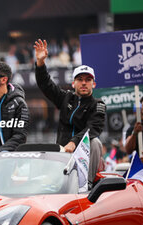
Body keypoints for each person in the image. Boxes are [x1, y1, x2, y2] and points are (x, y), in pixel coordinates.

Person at [34, 39, 106, 185]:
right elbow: (46, 85)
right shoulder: (65, 98)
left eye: (88, 79)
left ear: (94, 84)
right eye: (80, 79)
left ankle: (89, 183)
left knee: (96, 142)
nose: (84, 83)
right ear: (73, 83)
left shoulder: (98, 104)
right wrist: (40, 64)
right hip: (62, 153)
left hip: (84, 154)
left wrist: (74, 142)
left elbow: (93, 128)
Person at [125, 94, 143, 169]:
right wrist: (134, 133)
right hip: (141, 173)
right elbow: (128, 150)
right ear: (140, 109)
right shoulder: (133, 129)